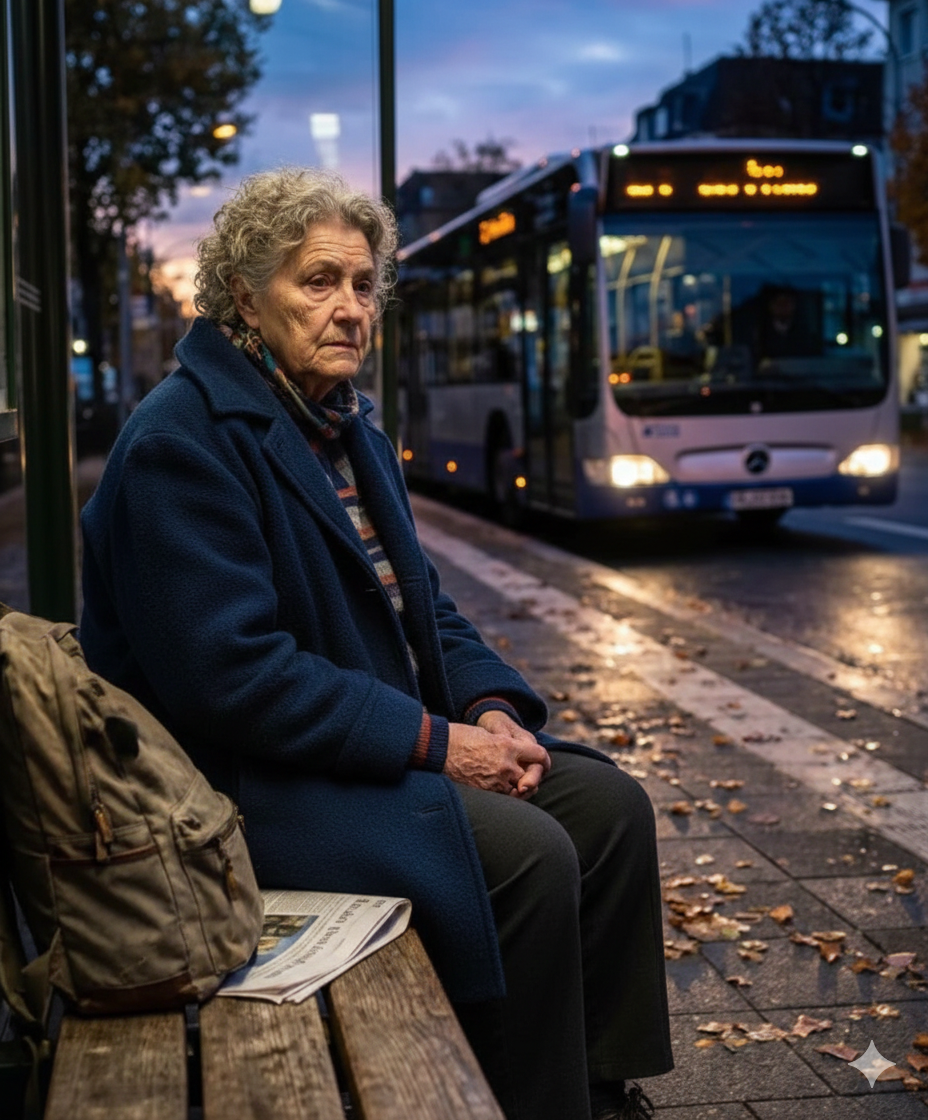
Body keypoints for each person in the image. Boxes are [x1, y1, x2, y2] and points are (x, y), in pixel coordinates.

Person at [79, 168, 673, 1120]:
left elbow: (424, 607)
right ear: (244, 296)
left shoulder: (344, 424)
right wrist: (441, 745)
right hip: (249, 789)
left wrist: (489, 708)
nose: (350, 308)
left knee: (609, 809)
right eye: (318, 281)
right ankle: (528, 1101)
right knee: (527, 856)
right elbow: (235, 680)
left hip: (363, 750)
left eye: (363, 285)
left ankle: (600, 1087)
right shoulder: (179, 443)